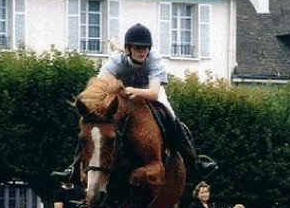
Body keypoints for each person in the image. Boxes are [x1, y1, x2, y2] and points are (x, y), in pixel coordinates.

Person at [51, 23, 218, 183]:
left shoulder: (154, 60)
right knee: (92, 125)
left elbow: (153, 92)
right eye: (138, 48)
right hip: (124, 94)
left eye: (145, 48)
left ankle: (195, 161)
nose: (142, 52)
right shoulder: (116, 61)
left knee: (172, 116)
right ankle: (73, 168)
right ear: (128, 49)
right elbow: (100, 85)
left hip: (149, 92)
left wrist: (135, 91)